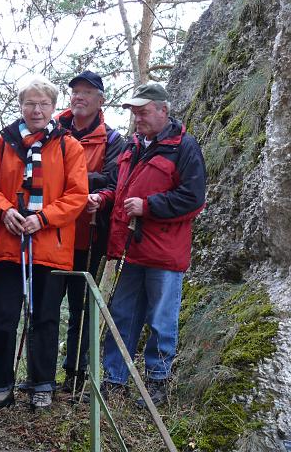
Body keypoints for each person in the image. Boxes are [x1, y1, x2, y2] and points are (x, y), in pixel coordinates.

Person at [0, 77, 88, 413]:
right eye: (30, 104)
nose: (36, 110)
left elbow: (77, 194)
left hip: (50, 245)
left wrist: (45, 217)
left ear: (53, 107)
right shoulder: (0, 144)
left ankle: (42, 385)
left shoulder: (69, 147)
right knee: (5, 316)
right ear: (21, 106)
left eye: (43, 104)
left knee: (45, 317)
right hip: (8, 244)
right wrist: (4, 210)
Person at [88, 83, 206, 407]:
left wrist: (149, 206)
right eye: (134, 112)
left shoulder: (184, 147)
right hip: (131, 249)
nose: (137, 118)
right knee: (122, 315)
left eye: (143, 111)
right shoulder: (133, 146)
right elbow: (123, 190)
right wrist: (104, 198)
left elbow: (194, 199)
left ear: (163, 111)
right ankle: (114, 381)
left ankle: (158, 384)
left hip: (165, 254)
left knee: (160, 320)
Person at [55, 71, 124, 392]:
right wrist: (85, 179)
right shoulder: (53, 131)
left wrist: (70, 180)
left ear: (101, 100)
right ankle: (41, 375)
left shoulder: (113, 140)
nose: (78, 97)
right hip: (52, 235)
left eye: (86, 92)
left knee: (81, 308)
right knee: (46, 306)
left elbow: (113, 182)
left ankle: (75, 373)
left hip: (90, 235)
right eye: (75, 91)